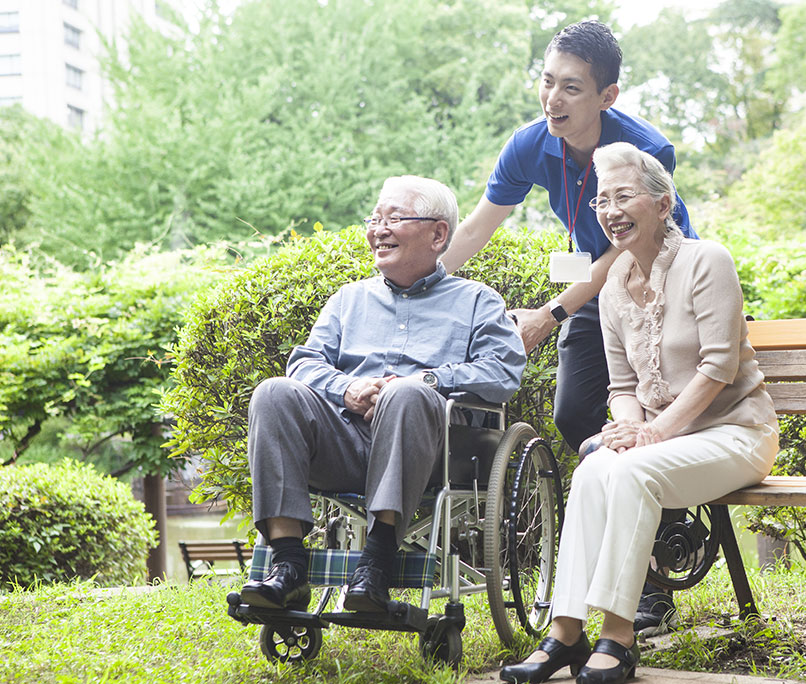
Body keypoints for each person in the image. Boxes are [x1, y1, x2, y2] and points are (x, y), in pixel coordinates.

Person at [440, 20, 698, 633]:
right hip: (598, 290)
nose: (553, 99)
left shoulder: (644, 149)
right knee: (575, 416)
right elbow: (477, 228)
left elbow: (624, 255)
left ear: (607, 96)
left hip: (662, 282)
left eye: (573, 89)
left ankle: (653, 578)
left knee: (655, 412)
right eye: (547, 81)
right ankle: (663, 517)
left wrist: (550, 314)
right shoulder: (530, 145)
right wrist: (420, 286)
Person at [499, 142, 778, 684]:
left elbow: (718, 368)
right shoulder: (612, 287)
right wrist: (629, 427)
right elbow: (622, 384)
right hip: (663, 441)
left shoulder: (706, 260)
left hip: (735, 433)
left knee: (628, 467)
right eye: (602, 201)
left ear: (662, 204)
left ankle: (619, 636)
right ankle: (565, 632)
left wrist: (652, 432)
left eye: (623, 196)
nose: (610, 211)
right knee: (596, 465)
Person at [239, 176, 526, 614]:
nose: (379, 229)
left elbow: (503, 371)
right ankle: (288, 566)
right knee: (274, 393)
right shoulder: (348, 300)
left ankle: (376, 565)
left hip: (431, 451)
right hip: (345, 444)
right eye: (375, 218)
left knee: (406, 393)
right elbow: (304, 363)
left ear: (438, 234)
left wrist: (428, 381)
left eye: (394, 218)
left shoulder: (476, 301)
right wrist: (347, 387)